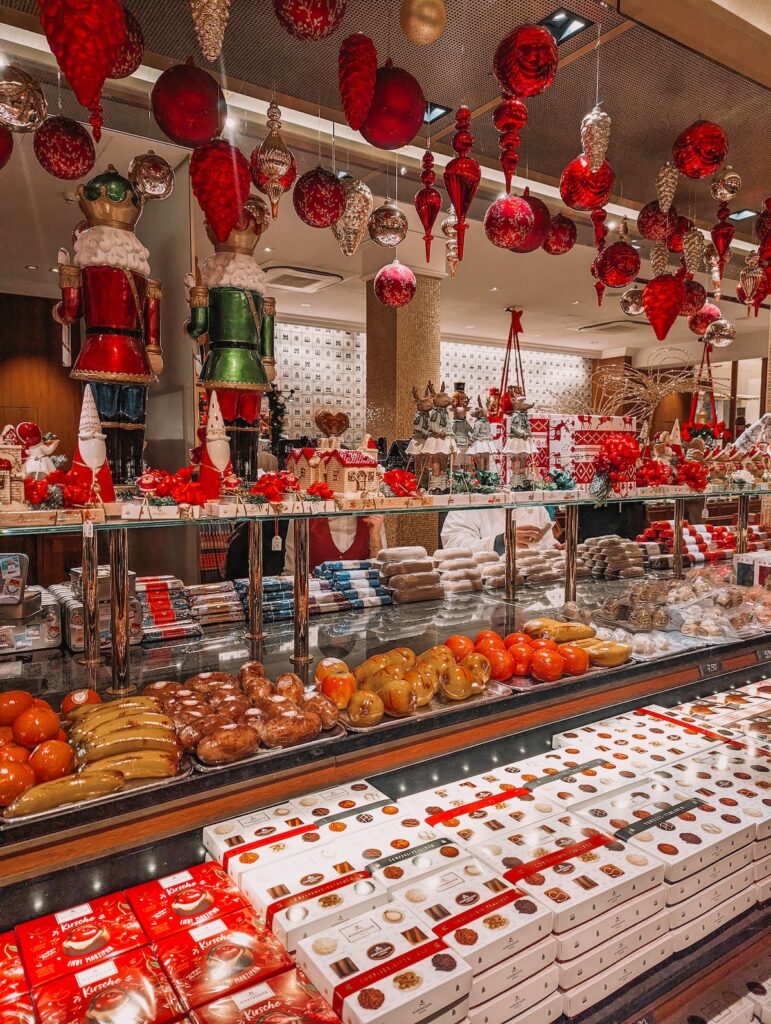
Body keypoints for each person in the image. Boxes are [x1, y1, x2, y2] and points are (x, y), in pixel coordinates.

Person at [283, 515, 387, 574]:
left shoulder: (372, 519)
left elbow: (380, 570)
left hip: (360, 597)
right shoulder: (305, 516)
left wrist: (375, 537)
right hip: (316, 599)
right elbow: (292, 570)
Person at [440, 505, 557, 555]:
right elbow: (455, 547)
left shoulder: (534, 505)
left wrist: (555, 549)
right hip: (482, 587)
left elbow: (545, 545)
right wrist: (501, 541)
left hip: (530, 586)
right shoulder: (470, 503)